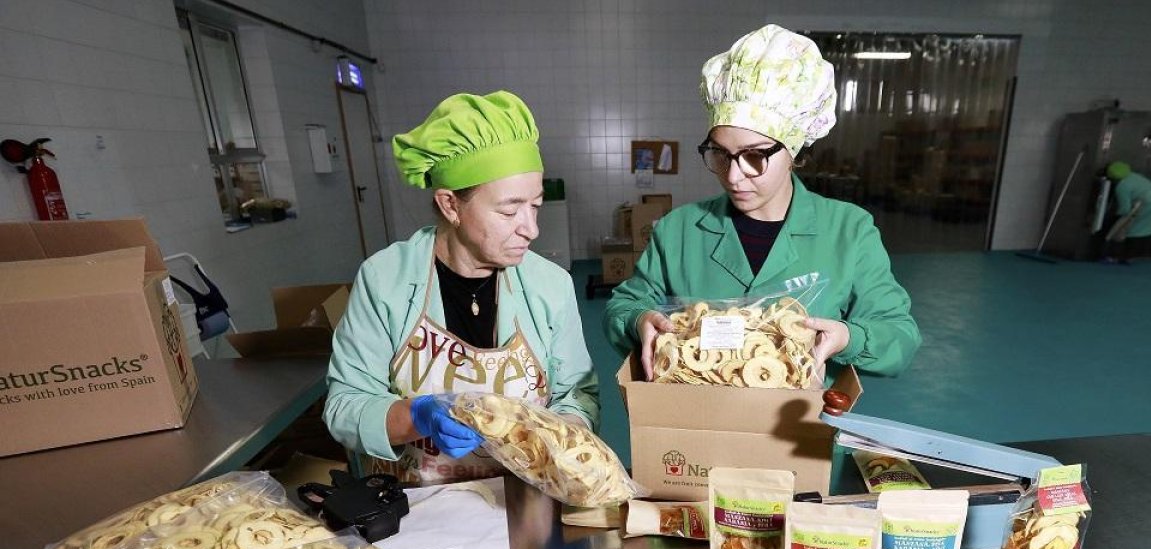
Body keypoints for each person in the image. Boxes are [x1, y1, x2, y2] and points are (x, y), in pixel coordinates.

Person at [604, 25, 920, 381]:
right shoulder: (678, 230)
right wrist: (639, 320)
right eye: (720, 154)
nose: (733, 176)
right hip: (694, 424)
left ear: (794, 150)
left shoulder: (849, 231)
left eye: (754, 156)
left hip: (800, 429)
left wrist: (849, 337)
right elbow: (624, 304)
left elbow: (900, 338)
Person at [324, 91, 599, 484]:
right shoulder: (385, 280)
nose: (531, 229)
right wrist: (416, 416)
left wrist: (560, 436)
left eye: (535, 206)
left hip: (528, 494)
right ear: (451, 205)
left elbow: (579, 393)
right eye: (509, 210)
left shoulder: (550, 285)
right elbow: (345, 405)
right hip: (418, 503)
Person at [1101, 161, 1151, 264]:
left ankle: (1114, 255)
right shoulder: (1135, 176)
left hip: (1148, 204)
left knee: (1129, 230)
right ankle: (1128, 257)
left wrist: (1113, 226)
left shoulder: (1122, 186)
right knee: (1138, 230)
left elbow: (1124, 210)